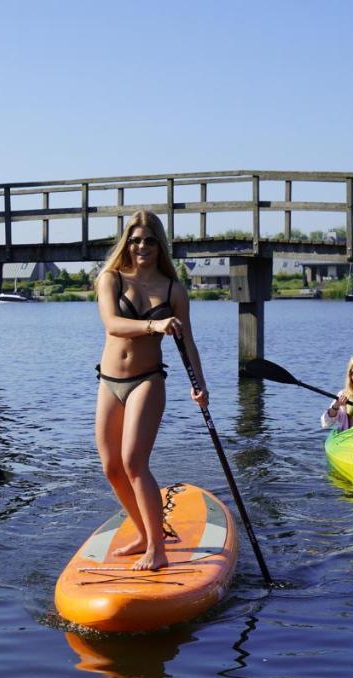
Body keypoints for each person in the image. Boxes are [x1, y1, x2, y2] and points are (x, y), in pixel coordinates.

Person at [94, 210, 208, 572]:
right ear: (128, 242)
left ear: (160, 245)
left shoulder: (174, 290)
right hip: (109, 381)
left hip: (147, 380)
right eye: (136, 239)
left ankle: (157, 548)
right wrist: (154, 325)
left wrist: (200, 383)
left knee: (133, 462)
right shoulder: (110, 278)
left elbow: (187, 341)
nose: (142, 246)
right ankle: (144, 533)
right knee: (111, 467)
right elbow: (112, 324)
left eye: (150, 240)